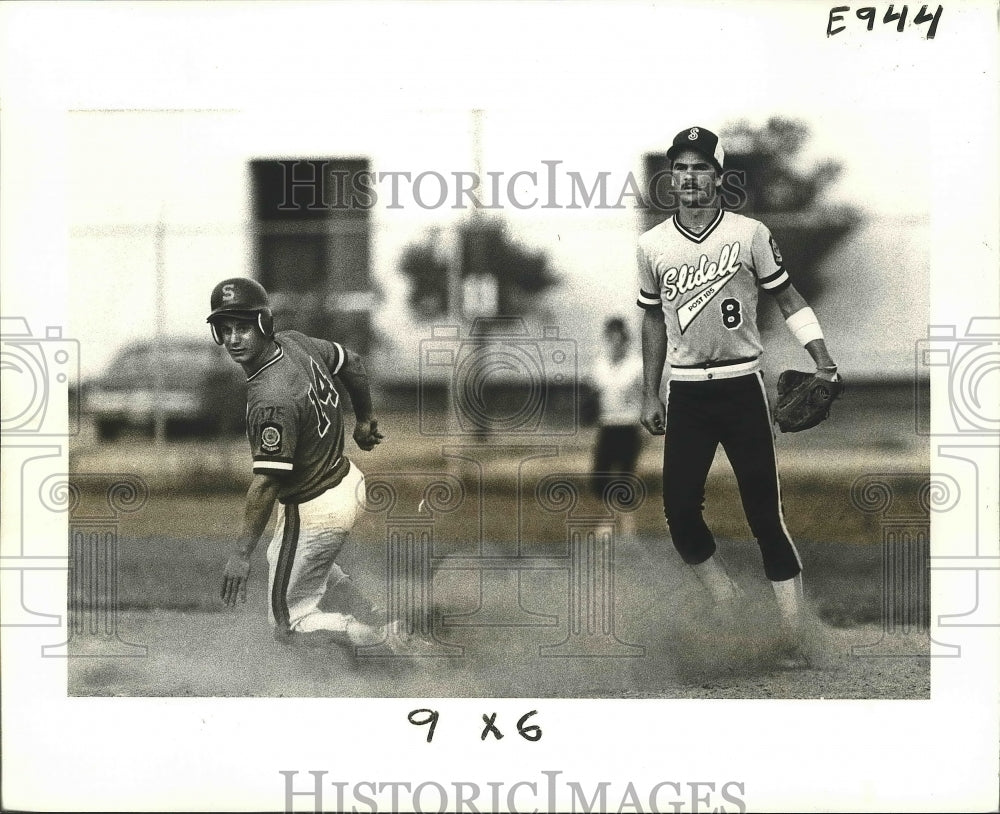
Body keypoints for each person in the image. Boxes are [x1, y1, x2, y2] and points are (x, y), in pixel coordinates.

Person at [636, 126, 840, 664]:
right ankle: (731, 612)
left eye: (700, 167)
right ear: (670, 177)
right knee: (680, 514)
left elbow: (789, 297)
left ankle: (793, 635)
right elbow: (652, 319)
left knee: (764, 516)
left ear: (719, 178)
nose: (688, 177)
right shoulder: (651, 245)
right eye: (680, 167)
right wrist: (649, 391)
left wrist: (822, 358)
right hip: (686, 394)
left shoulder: (749, 234)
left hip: (742, 387)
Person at [209, 277, 390, 649]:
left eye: (242, 326)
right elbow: (351, 362)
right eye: (224, 329)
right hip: (345, 480)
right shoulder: (295, 343)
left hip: (315, 506)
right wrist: (365, 418)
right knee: (300, 565)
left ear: (263, 324)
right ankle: (375, 616)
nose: (233, 339)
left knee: (289, 622)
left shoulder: (270, 398)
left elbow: (266, 484)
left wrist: (241, 555)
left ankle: (386, 640)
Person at [589, 317, 644, 530]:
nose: (615, 343)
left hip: (629, 425)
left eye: (619, 338)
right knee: (600, 478)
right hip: (607, 426)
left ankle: (628, 526)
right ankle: (607, 520)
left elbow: (648, 394)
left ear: (625, 339)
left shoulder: (637, 365)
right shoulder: (599, 365)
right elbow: (594, 394)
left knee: (625, 477)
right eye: (610, 338)